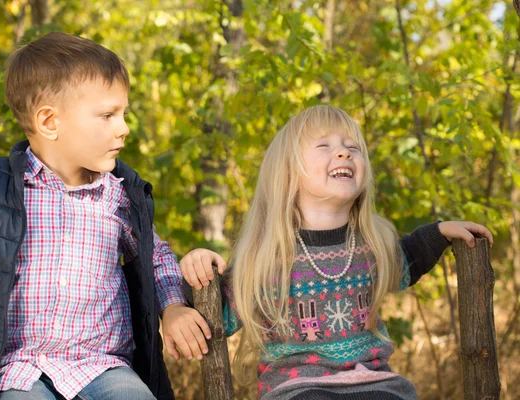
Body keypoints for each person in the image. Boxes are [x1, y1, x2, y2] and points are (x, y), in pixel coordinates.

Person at [0, 32, 210, 400]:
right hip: (20, 371)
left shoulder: (118, 194)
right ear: (49, 122)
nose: (124, 128)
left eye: (123, 113)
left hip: (103, 365)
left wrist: (173, 307)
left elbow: (157, 259)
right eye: (107, 115)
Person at [180, 105, 493, 400]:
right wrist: (196, 268)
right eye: (323, 146)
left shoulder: (373, 244)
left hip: (373, 381)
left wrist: (439, 232)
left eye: (352, 147)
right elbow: (212, 310)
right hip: (297, 387)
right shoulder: (264, 260)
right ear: (289, 173)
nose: (344, 151)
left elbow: (409, 257)